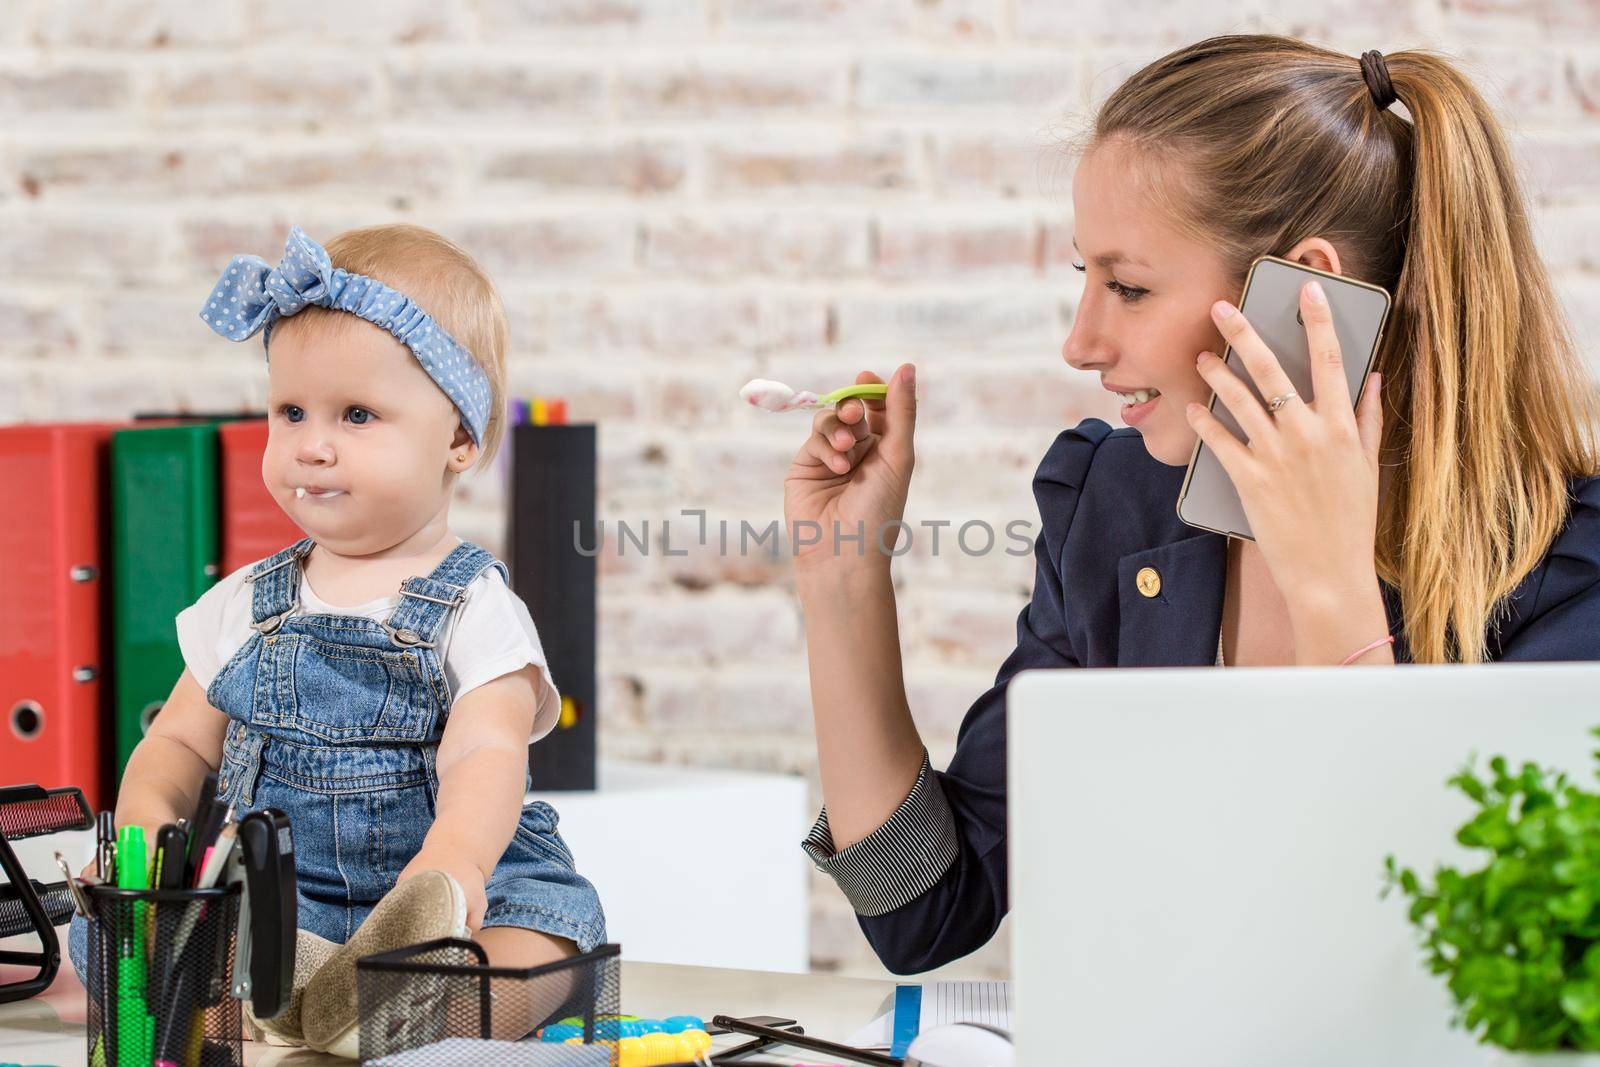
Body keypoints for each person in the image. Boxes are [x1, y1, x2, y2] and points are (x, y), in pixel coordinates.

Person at [782, 35, 1600, 975]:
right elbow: (923, 908)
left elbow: (1461, 964)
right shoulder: (1120, 508)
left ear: (1305, 299)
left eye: (1127, 287)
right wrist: (840, 575)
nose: (1080, 342)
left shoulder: (1566, 577)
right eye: (1083, 279)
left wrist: (1332, 586)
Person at [71, 224, 604, 1052]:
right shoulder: (247, 602)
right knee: (113, 945)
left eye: (357, 414)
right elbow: (177, 737)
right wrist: (146, 838)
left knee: (551, 939)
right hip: (283, 904)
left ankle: (390, 1006)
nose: (311, 446)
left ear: (460, 439)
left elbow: (485, 757)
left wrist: (454, 867)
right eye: (290, 411)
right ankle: (312, 1004)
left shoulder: (475, 604)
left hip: (444, 897)